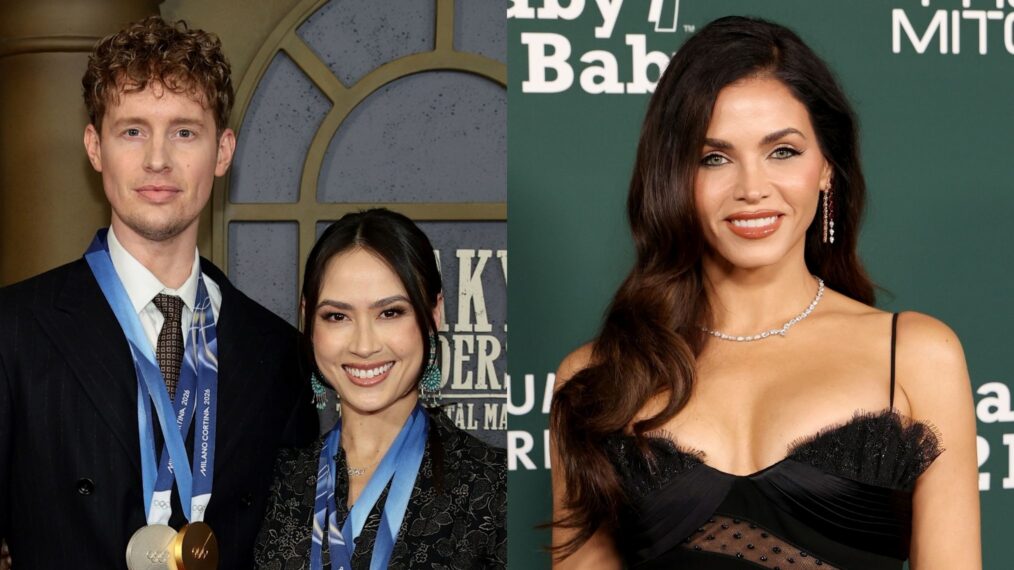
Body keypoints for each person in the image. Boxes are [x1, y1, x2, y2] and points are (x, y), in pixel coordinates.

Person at [550, 16, 980, 570]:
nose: (752, 189)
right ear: (675, 178)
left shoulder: (917, 355)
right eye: (715, 158)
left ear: (827, 167)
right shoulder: (596, 377)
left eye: (783, 151)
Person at [0, 17, 317, 569]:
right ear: (95, 147)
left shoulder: (278, 354)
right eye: (133, 130)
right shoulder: (12, 331)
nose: (157, 160)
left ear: (222, 151)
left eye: (184, 131)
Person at [253, 208, 507, 569]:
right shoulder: (275, 479)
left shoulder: (494, 489)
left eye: (390, 313)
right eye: (337, 316)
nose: (364, 344)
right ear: (309, 320)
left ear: (435, 313)